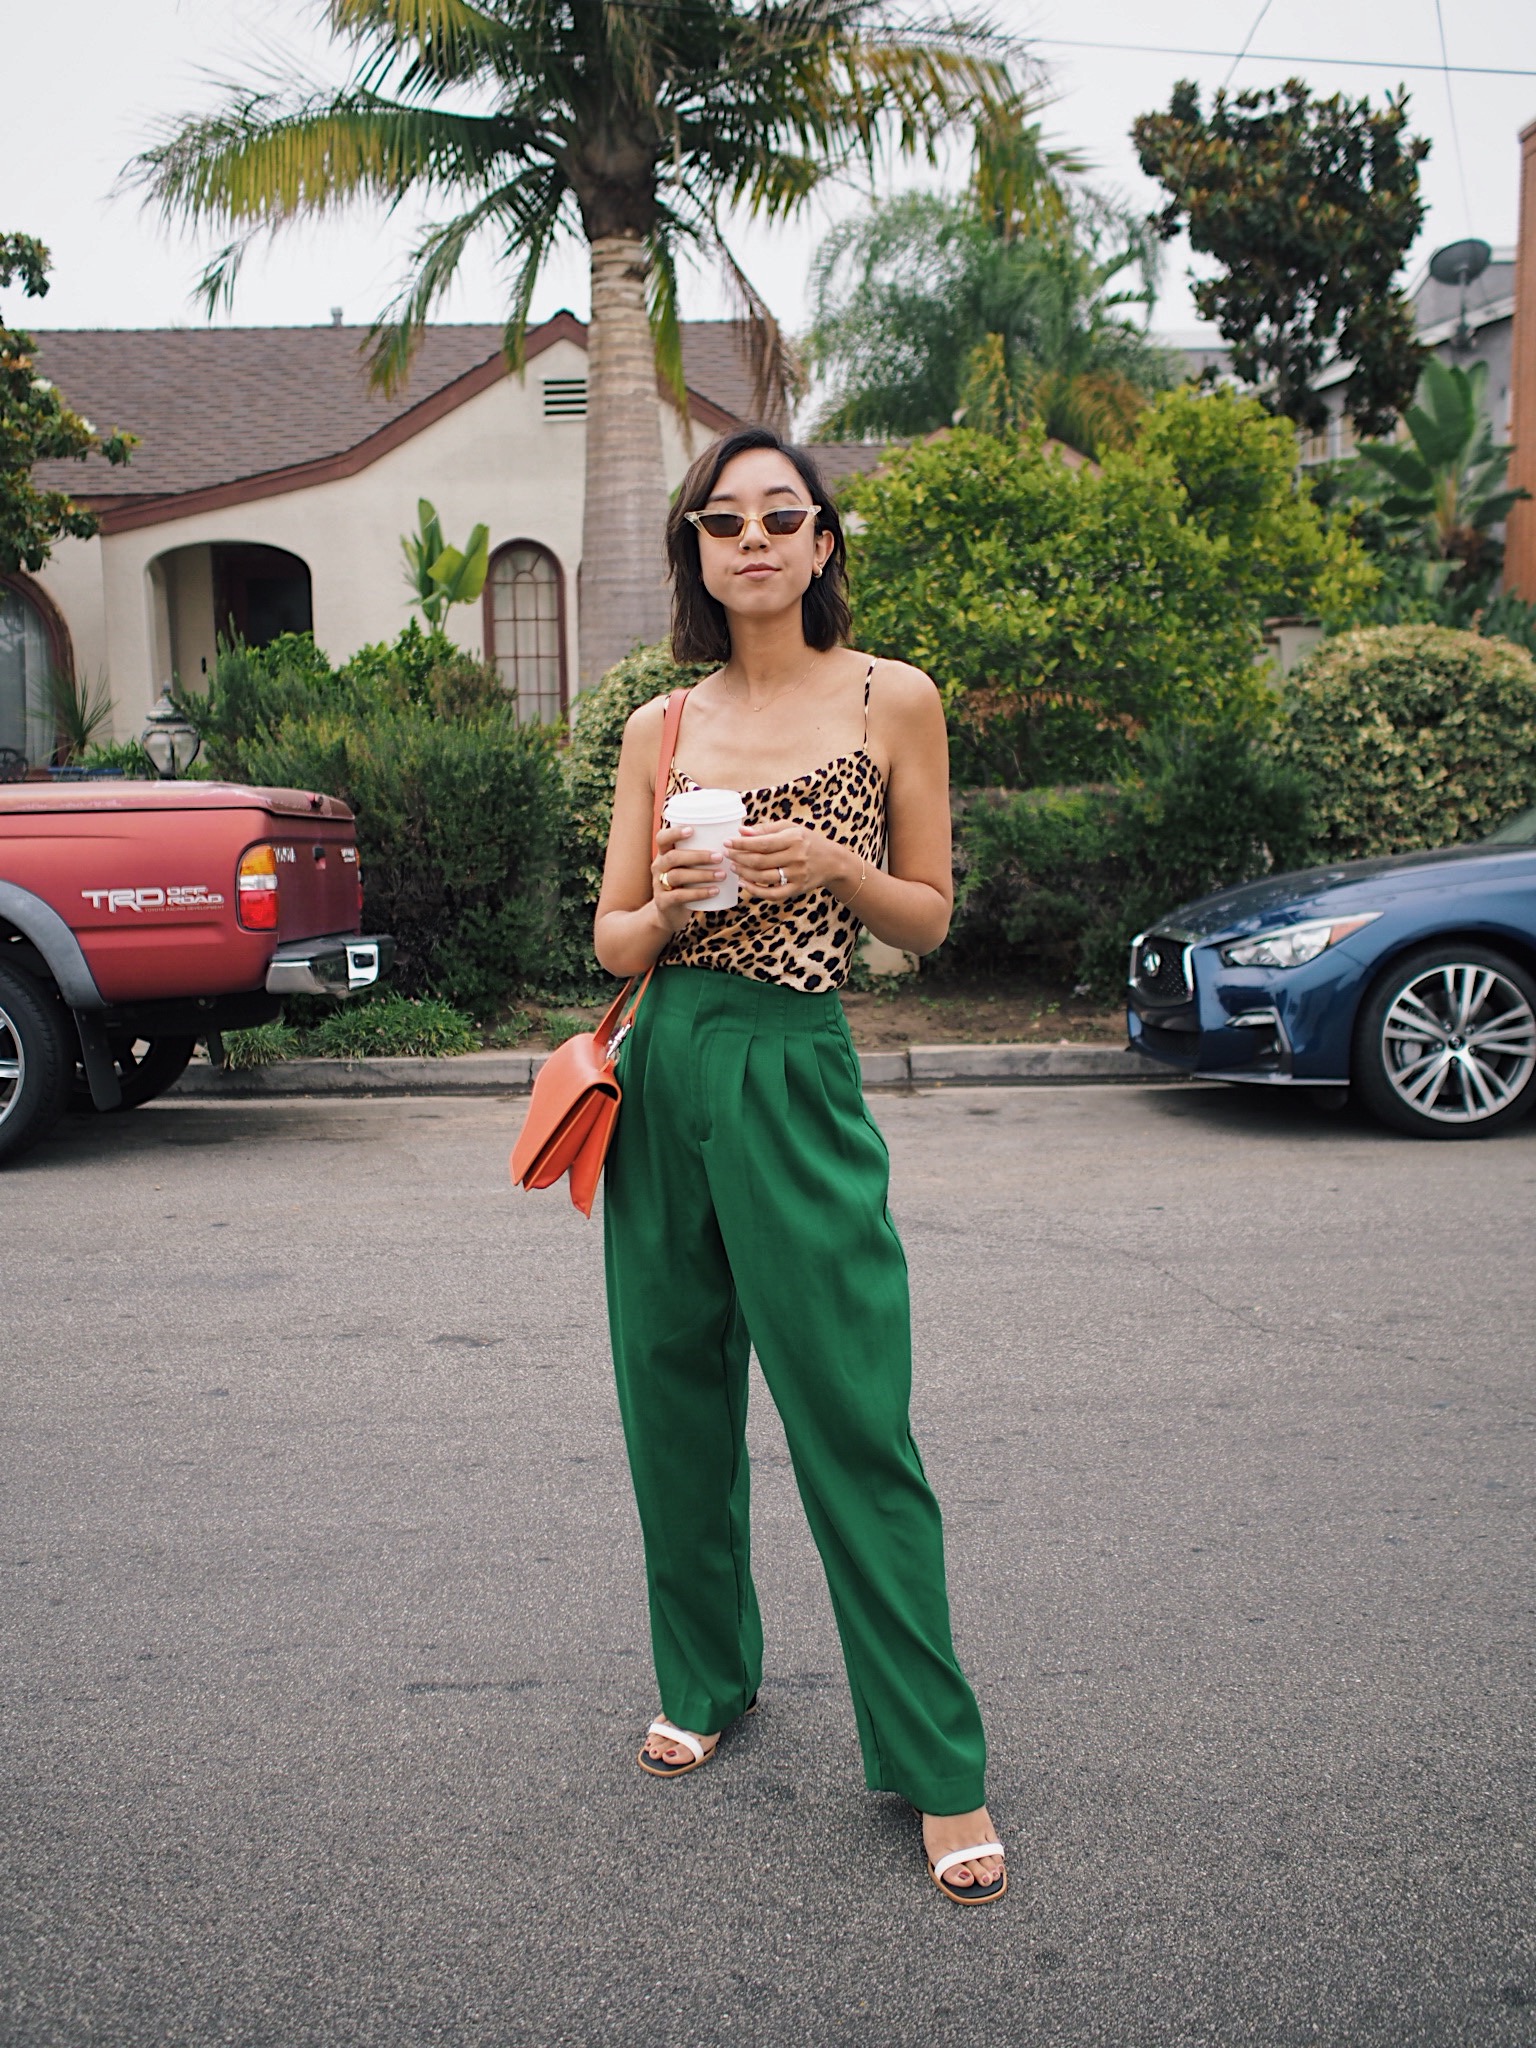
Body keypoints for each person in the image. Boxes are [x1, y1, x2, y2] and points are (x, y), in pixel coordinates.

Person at [592, 426, 1005, 1904]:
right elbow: (612, 940)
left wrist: (831, 867)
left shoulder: (895, 700)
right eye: (723, 521)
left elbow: (930, 919)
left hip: (795, 1059)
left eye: (783, 516)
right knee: (673, 1394)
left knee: (851, 1413)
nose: (753, 539)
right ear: (697, 553)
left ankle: (938, 1765)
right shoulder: (662, 726)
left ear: (824, 541)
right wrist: (677, 900)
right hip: (666, 1060)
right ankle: (707, 1677)